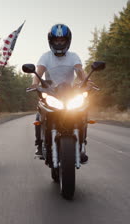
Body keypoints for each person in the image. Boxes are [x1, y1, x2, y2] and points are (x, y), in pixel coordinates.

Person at [28, 24, 89, 163]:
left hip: (70, 93)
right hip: (51, 93)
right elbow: (39, 71)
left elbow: (80, 72)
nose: (59, 43)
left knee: (83, 112)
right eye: (56, 40)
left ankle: (82, 145)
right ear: (51, 41)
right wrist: (35, 84)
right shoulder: (46, 57)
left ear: (68, 41)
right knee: (39, 114)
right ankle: (39, 145)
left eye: (62, 40)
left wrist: (87, 81)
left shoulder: (73, 56)